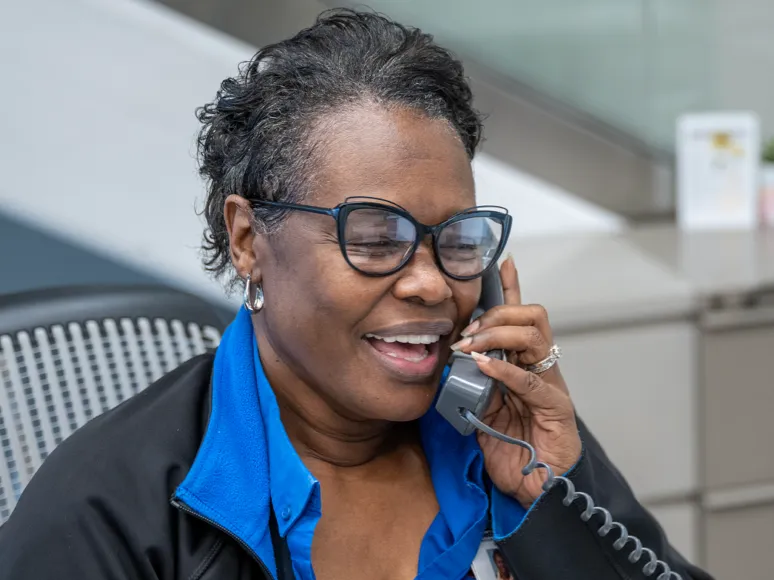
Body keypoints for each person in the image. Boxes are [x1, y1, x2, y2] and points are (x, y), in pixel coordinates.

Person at [0, 9, 713, 580]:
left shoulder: (503, 435)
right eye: (374, 239)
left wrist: (556, 496)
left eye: (458, 239)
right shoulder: (100, 514)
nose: (432, 282)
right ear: (249, 240)